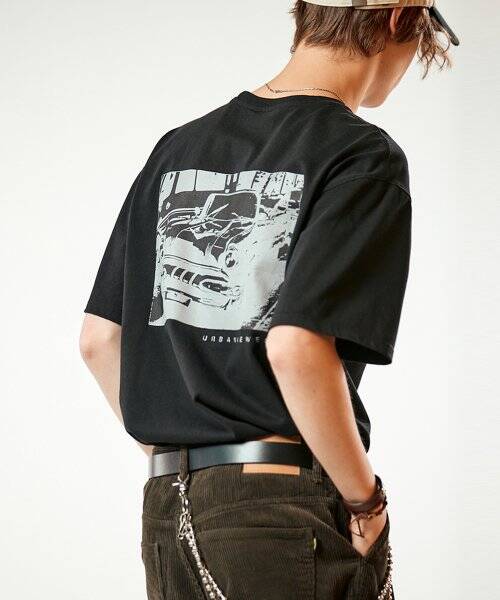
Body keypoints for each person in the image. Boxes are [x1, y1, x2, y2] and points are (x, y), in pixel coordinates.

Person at [79, 1, 458, 598]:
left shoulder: (178, 146)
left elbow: (99, 340)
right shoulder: (361, 156)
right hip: (280, 511)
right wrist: (366, 502)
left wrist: (192, 451)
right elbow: (295, 345)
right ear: (399, 19)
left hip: (168, 510)